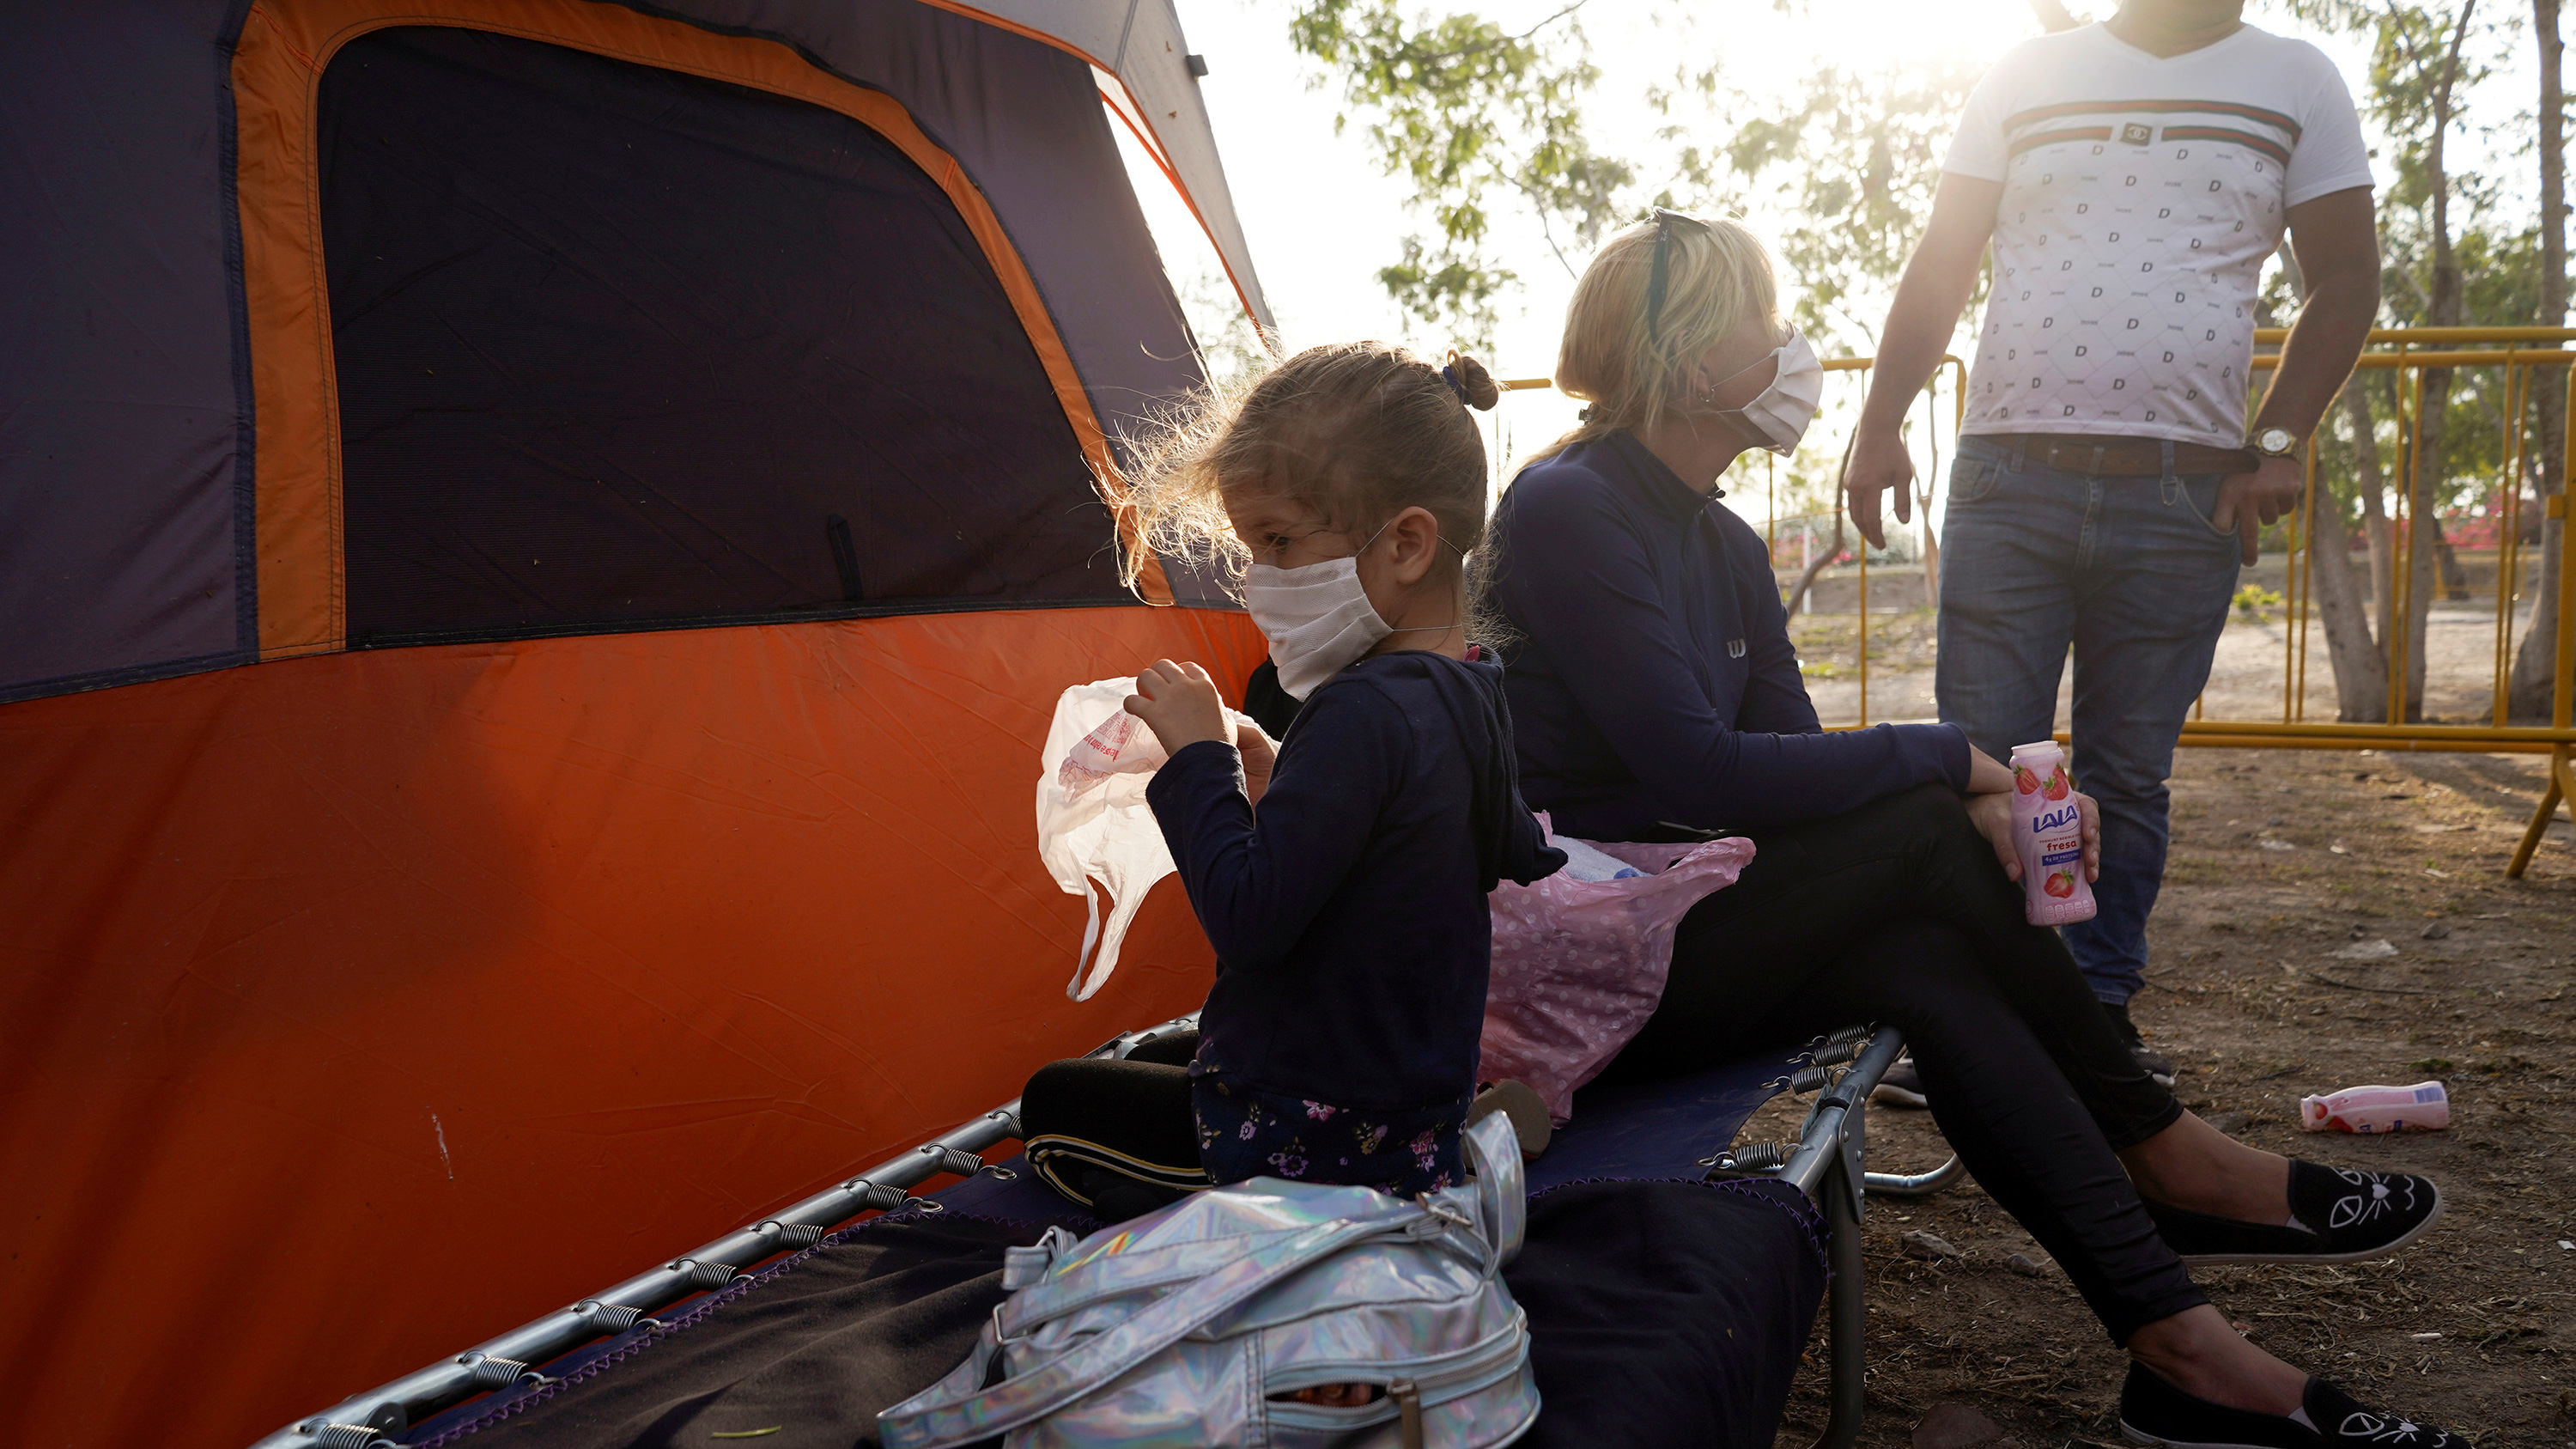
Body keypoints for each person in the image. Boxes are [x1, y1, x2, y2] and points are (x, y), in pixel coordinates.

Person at [1485, 210, 2455, 1449]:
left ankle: (2185, 1354)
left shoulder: (1721, 538)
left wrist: (1978, 793)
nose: (1793, 345)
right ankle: (2169, 1155)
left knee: (1925, 954)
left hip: (1690, 926)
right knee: (1926, 839)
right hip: (1582, 972)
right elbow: (1702, 769)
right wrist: (1954, 766)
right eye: (1766, 321)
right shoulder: (1569, 506)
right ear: (1684, 348)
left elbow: (1789, 763)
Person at [1842, 0, 2382, 1075]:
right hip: (2008, 481)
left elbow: (2348, 277)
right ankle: (1966, 1018)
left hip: (2182, 497)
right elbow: (1944, 260)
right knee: (1983, 760)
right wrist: (1879, 422)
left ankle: (2095, 1017)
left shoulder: (2299, 79)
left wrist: (2279, 437)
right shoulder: (2025, 73)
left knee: (2129, 776)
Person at [1018, 342, 1564, 1217]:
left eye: (1278, 542)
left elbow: (1251, 921)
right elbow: (1475, 852)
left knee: (1053, 1104)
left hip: (1311, 1137)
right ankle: (1440, 1146)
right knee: (1155, 1060)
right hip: (1401, 1087)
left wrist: (1199, 763)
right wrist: (1274, 776)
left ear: (1408, 543)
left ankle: (1383, 1187)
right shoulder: (1470, 685)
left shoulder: (1361, 710)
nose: (1260, 582)